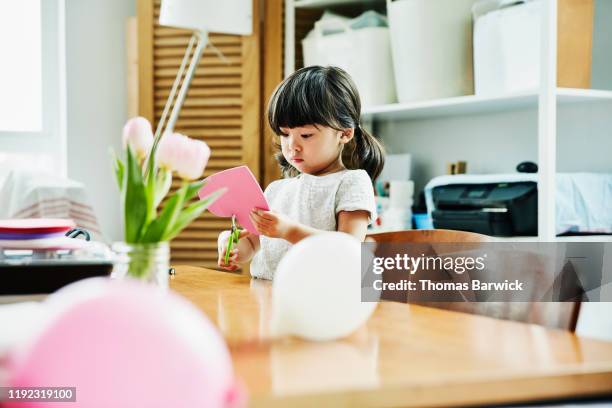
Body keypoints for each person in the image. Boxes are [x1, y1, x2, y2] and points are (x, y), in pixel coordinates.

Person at [217, 66, 385, 280]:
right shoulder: (277, 190)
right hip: (266, 296)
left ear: (344, 133)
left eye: (306, 135)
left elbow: (348, 249)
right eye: (285, 134)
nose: (292, 146)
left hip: (321, 299)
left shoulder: (352, 182)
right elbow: (254, 243)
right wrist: (232, 248)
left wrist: (288, 231)